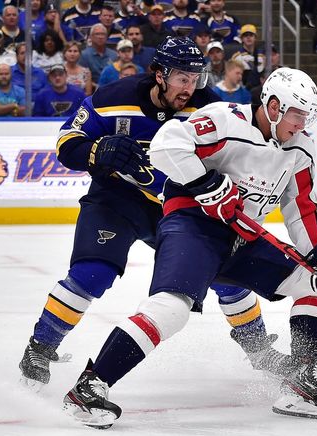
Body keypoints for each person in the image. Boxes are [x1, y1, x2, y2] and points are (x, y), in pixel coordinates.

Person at [62, 66, 317, 428]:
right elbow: (168, 144)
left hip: (242, 237)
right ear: (273, 107)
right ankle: (90, 386)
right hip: (193, 228)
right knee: (171, 310)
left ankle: (303, 381)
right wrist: (208, 184)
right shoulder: (226, 120)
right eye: (297, 114)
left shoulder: (299, 146)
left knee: (315, 281)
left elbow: (303, 207)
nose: (303, 124)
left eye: (308, 117)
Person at [19, 37, 287, 391]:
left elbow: (236, 158)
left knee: (227, 273)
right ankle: (40, 347)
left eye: (196, 78)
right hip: (116, 200)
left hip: (177, 205)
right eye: (181, 78)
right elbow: (67, 143)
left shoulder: (209, 107)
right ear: (159, 74)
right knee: (92, 273)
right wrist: (96, 151)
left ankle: (258, 348)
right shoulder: (114, 98)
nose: (190, 88)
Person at [231, 24, 265, 90]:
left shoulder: (263, 55)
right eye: (246, 35)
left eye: (251, 35)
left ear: (255, 38)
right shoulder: (236, 57)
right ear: (242, 39)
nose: (248, 38)